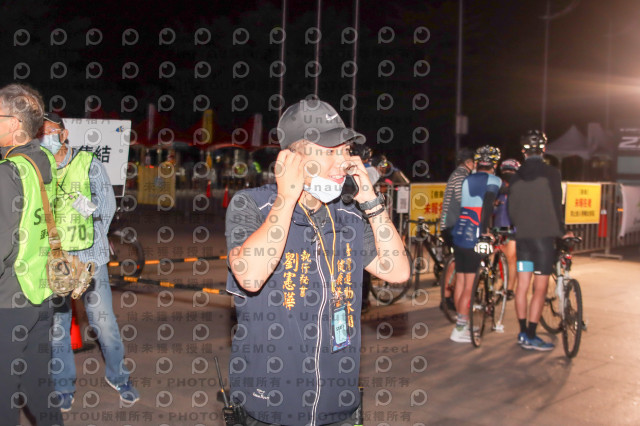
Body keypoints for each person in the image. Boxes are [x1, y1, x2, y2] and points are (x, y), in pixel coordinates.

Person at [225, 98, 410, 425]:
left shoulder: (349, 213)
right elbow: (251, 276)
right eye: (329, 151)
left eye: (345, 151)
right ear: (292, 158)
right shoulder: (252, 205)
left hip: (338, 405)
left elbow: (396, 271)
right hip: (271, 407)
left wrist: (371, 201)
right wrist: (286, 198)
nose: (343, 162)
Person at [42, 113, 139, 410]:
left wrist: (87, 243)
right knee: (57, 328)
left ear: (64, 134)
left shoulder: (88, 163)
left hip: (91, 261)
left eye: (51, 131)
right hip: (55, 264)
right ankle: (63, 386)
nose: (46, 137)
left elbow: (106, 208)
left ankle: (119, 377)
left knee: (104, 322)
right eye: (40, 133)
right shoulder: (37, 167)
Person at [0, 84, 64, 425]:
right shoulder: (42, 161)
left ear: (14, 123)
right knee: (38, 385)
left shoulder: (8, 171)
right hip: (40, 290)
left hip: (9, 298)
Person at [508, 130, 572, 351]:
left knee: (522, 286)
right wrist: (562, 231)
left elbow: (511, 211)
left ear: (523, 151)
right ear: (543, 149)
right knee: (540, 288)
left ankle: (522, 332)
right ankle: (531, 335)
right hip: (543, 240)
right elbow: (557, 204)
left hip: (523, 239)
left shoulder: (515, 176)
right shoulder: (551, 173)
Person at [450, 146, 502, 343]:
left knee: (461, 282)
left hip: (459, 232)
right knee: (469, 287)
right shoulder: (493, 180)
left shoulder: (467, 179)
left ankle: (461, 323)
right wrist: (485, 231)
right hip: (474, 234)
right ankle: (460, 329)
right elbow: (486, 206)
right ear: (494, 164)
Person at [439, 147, 475, 312]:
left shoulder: (459, 174)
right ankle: (448, 298)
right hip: (452, 225)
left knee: (455, 261)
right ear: (468, 162)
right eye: (474, 163)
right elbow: (463, 199)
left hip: (452, 225)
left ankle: (448, 297)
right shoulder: (461, 176)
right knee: (458, 263)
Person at [493, 158, 521, 301]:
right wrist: (494, 203)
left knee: (511, 258)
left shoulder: (520, 187)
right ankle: (491, 283)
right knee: (492, 256)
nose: (508, 173)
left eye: (511, 170)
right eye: (506, 170)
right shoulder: (498, 186)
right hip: (497, 227)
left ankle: (509, 289)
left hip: (513, 228)